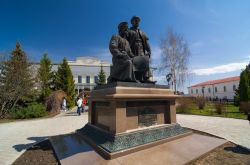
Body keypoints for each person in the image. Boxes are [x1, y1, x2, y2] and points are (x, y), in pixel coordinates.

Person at [128, 16, 152, 83]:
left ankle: (146, 78)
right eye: (135, 20)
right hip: (132, 49)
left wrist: (149, 51)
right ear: (132, 22)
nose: (137, 22)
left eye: (138, 21)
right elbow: (125, 42)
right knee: (134, 63)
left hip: (141, 49)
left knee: (144, 62)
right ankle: (135, 78)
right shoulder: (129, 31)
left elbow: (146, 43)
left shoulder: (142, 32)